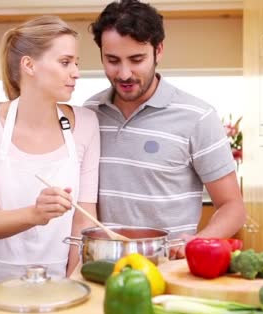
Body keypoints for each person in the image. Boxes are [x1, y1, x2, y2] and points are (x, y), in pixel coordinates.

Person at [84, 0, 246, 258]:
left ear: (158, 50)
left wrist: (197, 243)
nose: (124, 73)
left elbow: (233, 207)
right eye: (112, 60)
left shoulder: (197, 117)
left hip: (167, 269)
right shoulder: (90, 112)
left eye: (136, 59)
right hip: (103, 266)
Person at [0, 16, 100, 282]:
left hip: (62, 279)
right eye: (65, 62)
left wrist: (72, 281)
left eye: (76, 63)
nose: (76, 72)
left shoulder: (87, 124)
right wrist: (35, 214)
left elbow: (84, 220)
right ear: (29, 65)